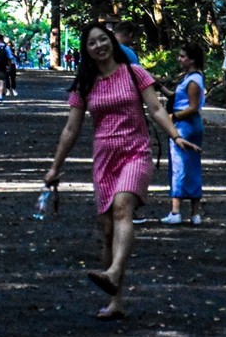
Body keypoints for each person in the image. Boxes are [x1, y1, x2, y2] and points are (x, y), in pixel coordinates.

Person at [43, 21, 198, 319]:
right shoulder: (85, 83)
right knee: (107, 231)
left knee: (122, 209)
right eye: (92, 43)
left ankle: (113, 271)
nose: (99, 46)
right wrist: (55, 167)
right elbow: (71, 128)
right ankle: (116, 300)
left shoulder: (134, 72)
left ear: (112, 42)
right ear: (86, 50)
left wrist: (176, 136)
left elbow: (155, 110)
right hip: (104, 157)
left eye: (103, 40)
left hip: (135, 151)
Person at [160, 42, 205, 225]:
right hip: (190, 126)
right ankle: (195, 214)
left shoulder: (193, 81)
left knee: (179, 167)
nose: (179, 59)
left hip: (184, 126)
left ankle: (176, 211)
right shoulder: (192, 77)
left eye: (182, 56)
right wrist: (160, 87)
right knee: (193, 167)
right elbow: (177, 96)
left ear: (192, 59)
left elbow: (193, 108)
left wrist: (172, 116)